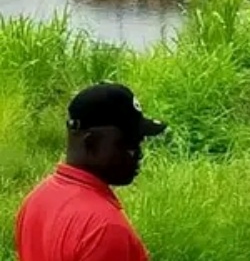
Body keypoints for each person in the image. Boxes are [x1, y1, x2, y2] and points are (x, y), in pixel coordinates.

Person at [16, 83, 167, 261]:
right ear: (91, 143)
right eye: (129, 143)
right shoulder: (105, 229)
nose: (139, 153)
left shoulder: (37, 200)